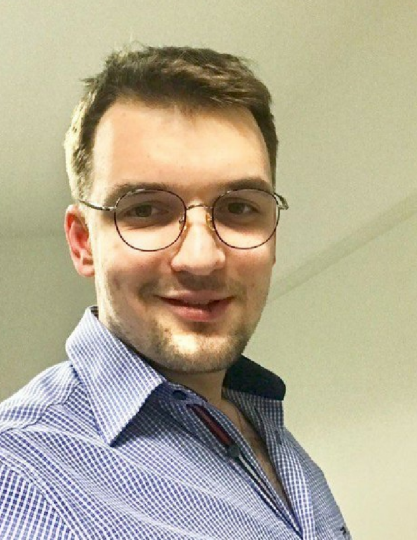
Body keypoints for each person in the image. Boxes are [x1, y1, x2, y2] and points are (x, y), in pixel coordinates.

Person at [0, 45, 350, 539]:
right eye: (145, 210)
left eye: (239, 208)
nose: (202, 259)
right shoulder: (21, 476)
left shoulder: (276, 440)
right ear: (83, 243)